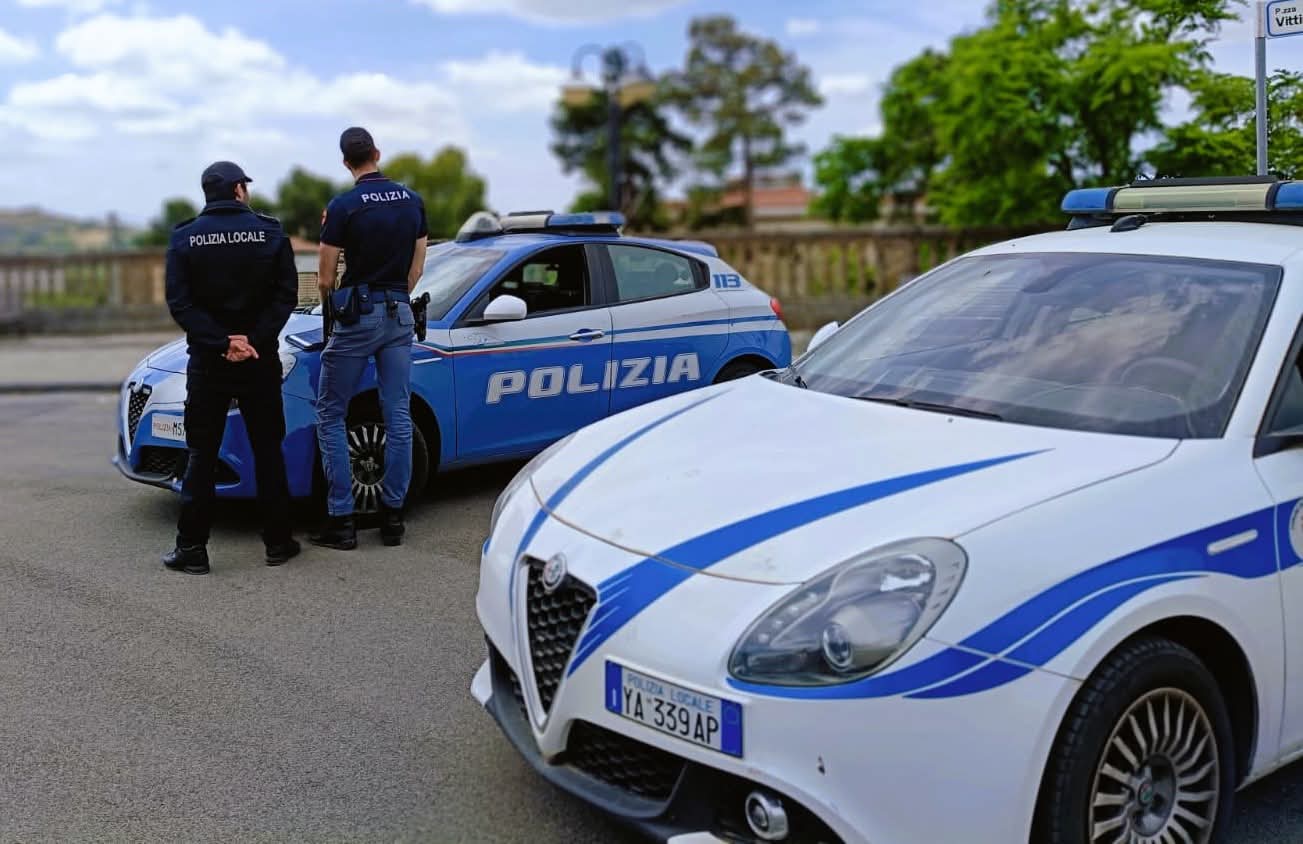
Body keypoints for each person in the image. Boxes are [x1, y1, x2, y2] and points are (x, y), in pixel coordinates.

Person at [162, 161, 301, 574]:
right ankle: (278, 542)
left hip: (208, 361)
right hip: (260, 360)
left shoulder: (185, 237)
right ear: (239, 190)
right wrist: (252, 341)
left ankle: (192, 549)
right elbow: (286, 295)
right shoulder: (271, 232)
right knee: (267, 450)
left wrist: (222, 343)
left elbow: (181, 303)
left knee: (201, 454)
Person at [310, 127, 427, 550]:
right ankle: (393, 517)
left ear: (346, 162)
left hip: (358, 315)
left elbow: (324, 277)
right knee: (397, 412)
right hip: (400, 313)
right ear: (377, 153)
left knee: (330, 412)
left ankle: (342, 519)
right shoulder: (412, 202)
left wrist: (337, 308)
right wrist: (397, 295)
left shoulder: (343, 206)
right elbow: (417, 268)